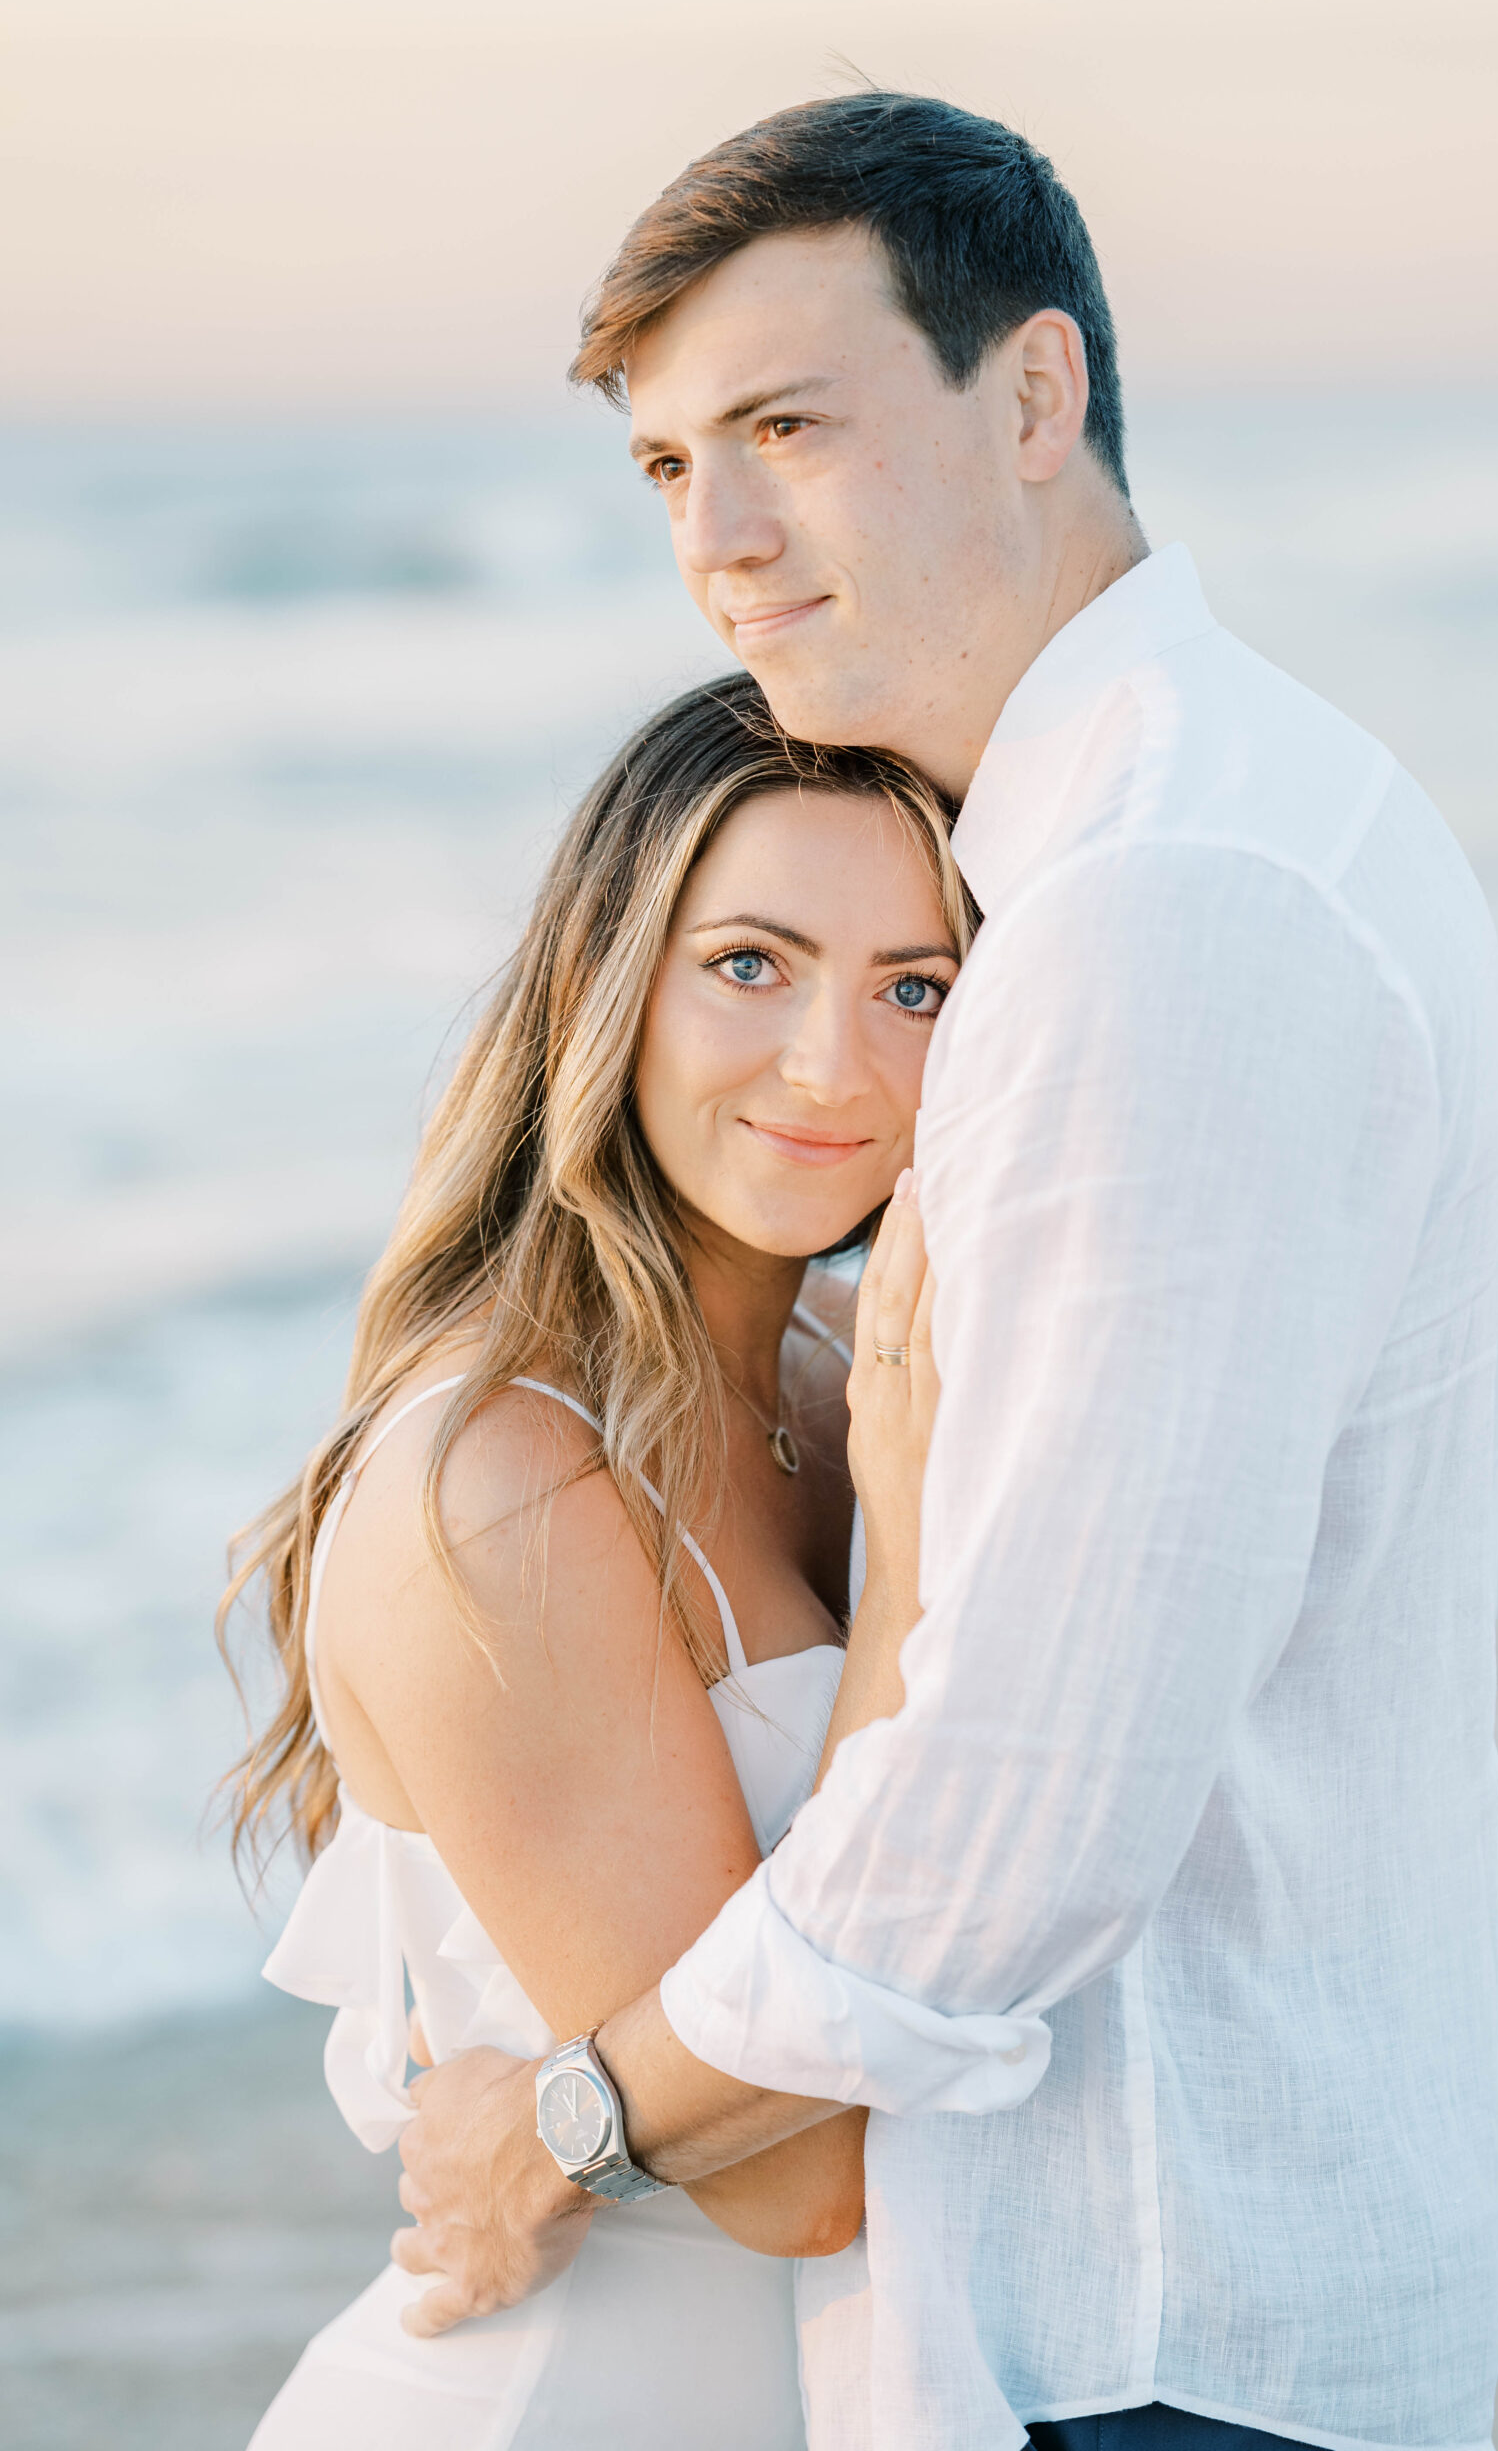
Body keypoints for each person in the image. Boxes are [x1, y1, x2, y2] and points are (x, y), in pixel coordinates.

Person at [393, 94, 1498, 2451]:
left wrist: (571, 2118)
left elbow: (1029, 1800)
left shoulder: (1157, 912)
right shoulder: (1182, 832)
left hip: (1132, 2320)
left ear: (1031, 396)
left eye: (788, 427)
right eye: (665, 464)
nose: (713, 536)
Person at [220, 674, 977, 2449]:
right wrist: (918, 1557)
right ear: (605, 979)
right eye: (749, 965)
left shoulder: (838, 1372)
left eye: (915, 987)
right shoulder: (501, 1485)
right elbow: (800, 2188)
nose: (831, 1066)